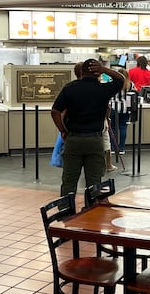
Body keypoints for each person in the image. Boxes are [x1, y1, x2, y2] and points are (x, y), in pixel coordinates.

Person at [51, 59, 124, 197]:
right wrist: (104, 69)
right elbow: (121, 79)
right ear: (97, 73)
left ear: (81, 72)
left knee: (69, 181)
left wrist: (63, 130)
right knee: (94, 181)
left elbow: (55, 111)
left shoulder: (69, 88)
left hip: (73, 139)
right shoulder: (103, 89)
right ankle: (92, 211)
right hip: (95, 140)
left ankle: (67, 212)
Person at [109, 68, 134, 155]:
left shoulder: (112, 84)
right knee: (123, 127)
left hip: (113, 108)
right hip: (125, 109)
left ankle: (112, 148)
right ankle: (121, 148)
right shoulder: (130, 84)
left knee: (112, 128)